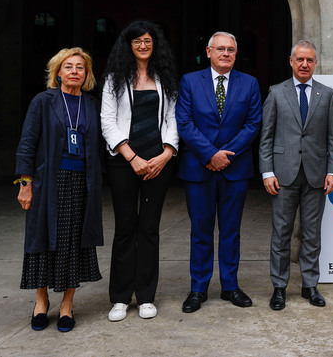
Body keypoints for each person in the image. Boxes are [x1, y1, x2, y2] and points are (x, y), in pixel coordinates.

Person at [15, 48, 103, 332]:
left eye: (80, 67)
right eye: (68, 66)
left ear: (87, 74)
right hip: (48, 182)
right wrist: (25, 184)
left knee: (74, 243)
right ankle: (41, 301)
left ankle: (67, 305)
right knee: (42, 239)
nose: (75, 71)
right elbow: (28, 142)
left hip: (82, 183)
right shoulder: (43, 101)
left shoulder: (91, 104)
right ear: (58, 72)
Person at [176, 31, 262, 313]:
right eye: (221, 49)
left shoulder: (249, 83)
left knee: (231, 231)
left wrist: (225, 155)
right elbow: (184, 122)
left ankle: (230, 286)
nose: (226, 53)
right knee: (200, 231)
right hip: (198, 169)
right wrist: (210, 154)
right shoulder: (190, 81)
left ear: (236, 54)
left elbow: (253, 124)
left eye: (231, 50)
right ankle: (198, 288)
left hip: (234, 169)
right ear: (209, 51)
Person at [101, 20, 179, 321]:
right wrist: (131, 156)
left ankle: (146, 297)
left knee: (149, 228)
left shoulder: (165, 77)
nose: (143, 46)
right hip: (123, 161)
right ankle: (120, 298)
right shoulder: (114, 78)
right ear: (129, 45)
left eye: (148, 41)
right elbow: (107, 120)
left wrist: (167, 153)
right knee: (125, 228)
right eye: (137, 41)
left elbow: (173, 118)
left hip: (158, 161)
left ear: (154, 44)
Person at [259, 40, 333, 310]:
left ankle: (310, 285)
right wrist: (267, 172)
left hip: (317, 175)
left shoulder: (326, 94)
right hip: (283, 175)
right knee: (281, 233)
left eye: (310, 60)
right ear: (291, 62)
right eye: (300, 59)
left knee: (312, 233)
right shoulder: (276, 92)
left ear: (315, 63)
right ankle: (279, 287)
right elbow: (266, 137)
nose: (305, 64)